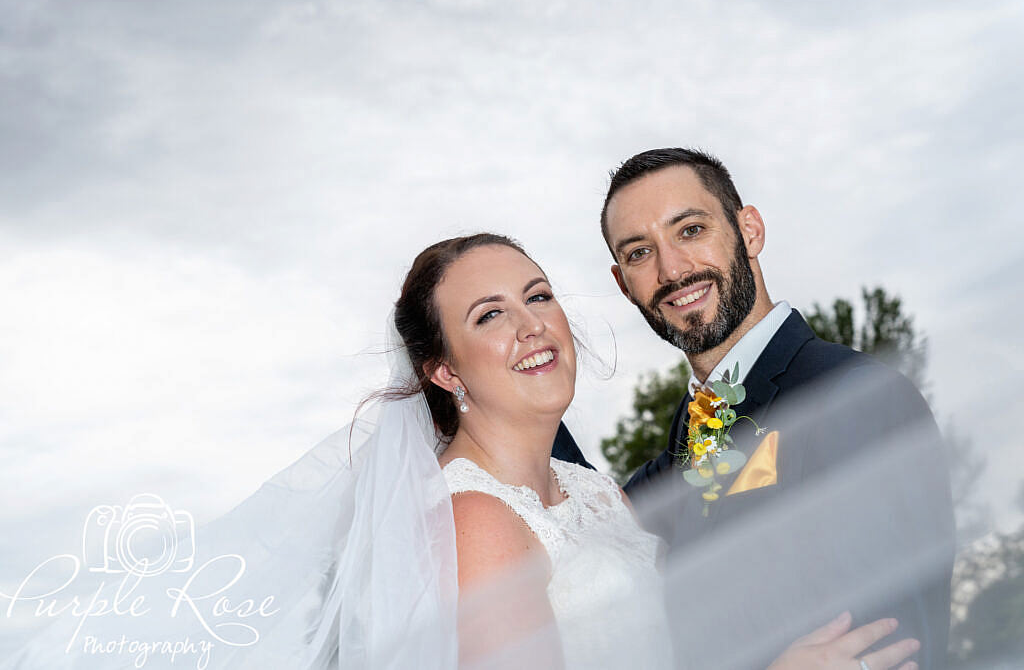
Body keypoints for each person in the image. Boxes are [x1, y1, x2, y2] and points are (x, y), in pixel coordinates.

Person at [1, 233, 925, 670]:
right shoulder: (478, 522)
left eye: (538, 295)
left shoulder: (589, 491)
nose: (533, 327)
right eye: (490, 315)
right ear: (445, 371)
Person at [551, 148, 956, 669]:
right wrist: (510, 386)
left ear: (750, 232)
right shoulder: (692, 432)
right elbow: (583, 515)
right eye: (639, 253)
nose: (671, 269)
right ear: (622, 284)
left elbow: (893, 647)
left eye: (690, 230)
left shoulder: (855, 398)